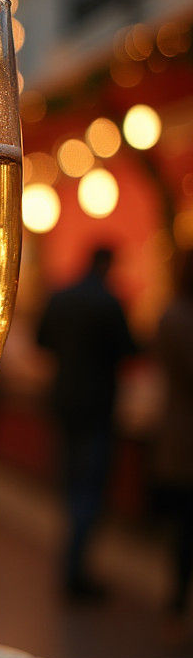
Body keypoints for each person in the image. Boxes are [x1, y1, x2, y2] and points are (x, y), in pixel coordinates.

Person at [36, 246, 138, 600]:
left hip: (64, 403)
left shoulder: (61, 297)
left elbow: (41, 340)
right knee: (90, 489)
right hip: (97, 407)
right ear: (108, 264)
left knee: (70, 484)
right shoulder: (110, 303)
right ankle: (76, 571)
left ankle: (69, 564)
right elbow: (130, 350)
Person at [154, 252, 193, 616]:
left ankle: (175, 605)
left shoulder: (170, 315)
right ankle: (177, 604)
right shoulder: (183, 318)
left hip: (175, 432)